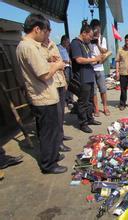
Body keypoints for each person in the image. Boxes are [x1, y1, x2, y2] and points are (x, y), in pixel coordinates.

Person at [16, 13, 67, 174]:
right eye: (45, 31)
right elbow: (44, 74)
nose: (46, 35)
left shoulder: (29, 46)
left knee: (49, 130)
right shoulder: (29, 47)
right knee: (47, 132)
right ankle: (48, 164)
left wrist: (50, 62)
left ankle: (52, 156)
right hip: (42, 96)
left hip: (44, 95)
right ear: (37, 29)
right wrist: (58, 65)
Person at [40, 31, 72, 153]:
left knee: (61, 113)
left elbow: (61, 63)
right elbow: (41, 67)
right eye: (46, 32)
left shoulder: (52, 44)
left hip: (59, 81)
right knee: (55, 115)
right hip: (50, 83)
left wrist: (64, 81)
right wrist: (51, 61)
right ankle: (58, 142)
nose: (48, 35)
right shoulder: (36, 46)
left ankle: (60, 135)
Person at [70, 24, 105, 133]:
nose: (90, 38)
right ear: (83, 33)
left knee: (90, 100)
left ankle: (90, 118)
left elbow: (87, 59)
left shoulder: (85, 44)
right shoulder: (75, 43)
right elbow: (79, 60)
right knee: (83, 101)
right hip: (82, 77)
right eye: (89, 36)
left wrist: (97, 60)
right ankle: (83, 123)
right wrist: (94, 59)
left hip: (90, 75)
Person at [89, 19, 111, 117]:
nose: (96, 30)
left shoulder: (103, 39)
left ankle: (105, 107)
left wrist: (97, 43)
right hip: (91, 68)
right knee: (93, 91)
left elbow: (104, 51)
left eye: (98, 28)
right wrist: (90, 40)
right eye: (94, 28)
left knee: (103, 89)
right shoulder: (88, 39)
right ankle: (96, 109)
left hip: (100, 68)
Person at [57, 35, 74, 109]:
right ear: (63, 41)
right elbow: (58, 59)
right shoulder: (58, 48)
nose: (68, 43)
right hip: (64, 67)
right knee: (66, 83)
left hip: (69, 67)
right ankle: (65, 100)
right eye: (67, 42)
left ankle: (70, 99)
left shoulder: (66, 48)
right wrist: (65, 61)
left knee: (70, 83)